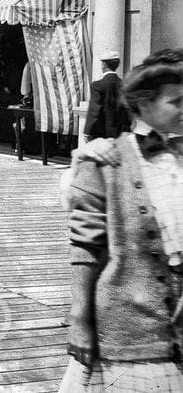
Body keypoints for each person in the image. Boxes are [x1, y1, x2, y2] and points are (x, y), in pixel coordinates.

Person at [60, 48, 183, 391]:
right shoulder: (105, 163)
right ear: (144, 104)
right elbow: (85, 250)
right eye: (177, 101)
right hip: (129, 329)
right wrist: (80, 322)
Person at [83, 49, 132, 141]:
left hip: (101, 136)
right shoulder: (124, 85)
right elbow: (127, 110)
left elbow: (94, 112)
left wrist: (87, 132)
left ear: (104, 65)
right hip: (120, 136)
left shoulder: (97, 85)